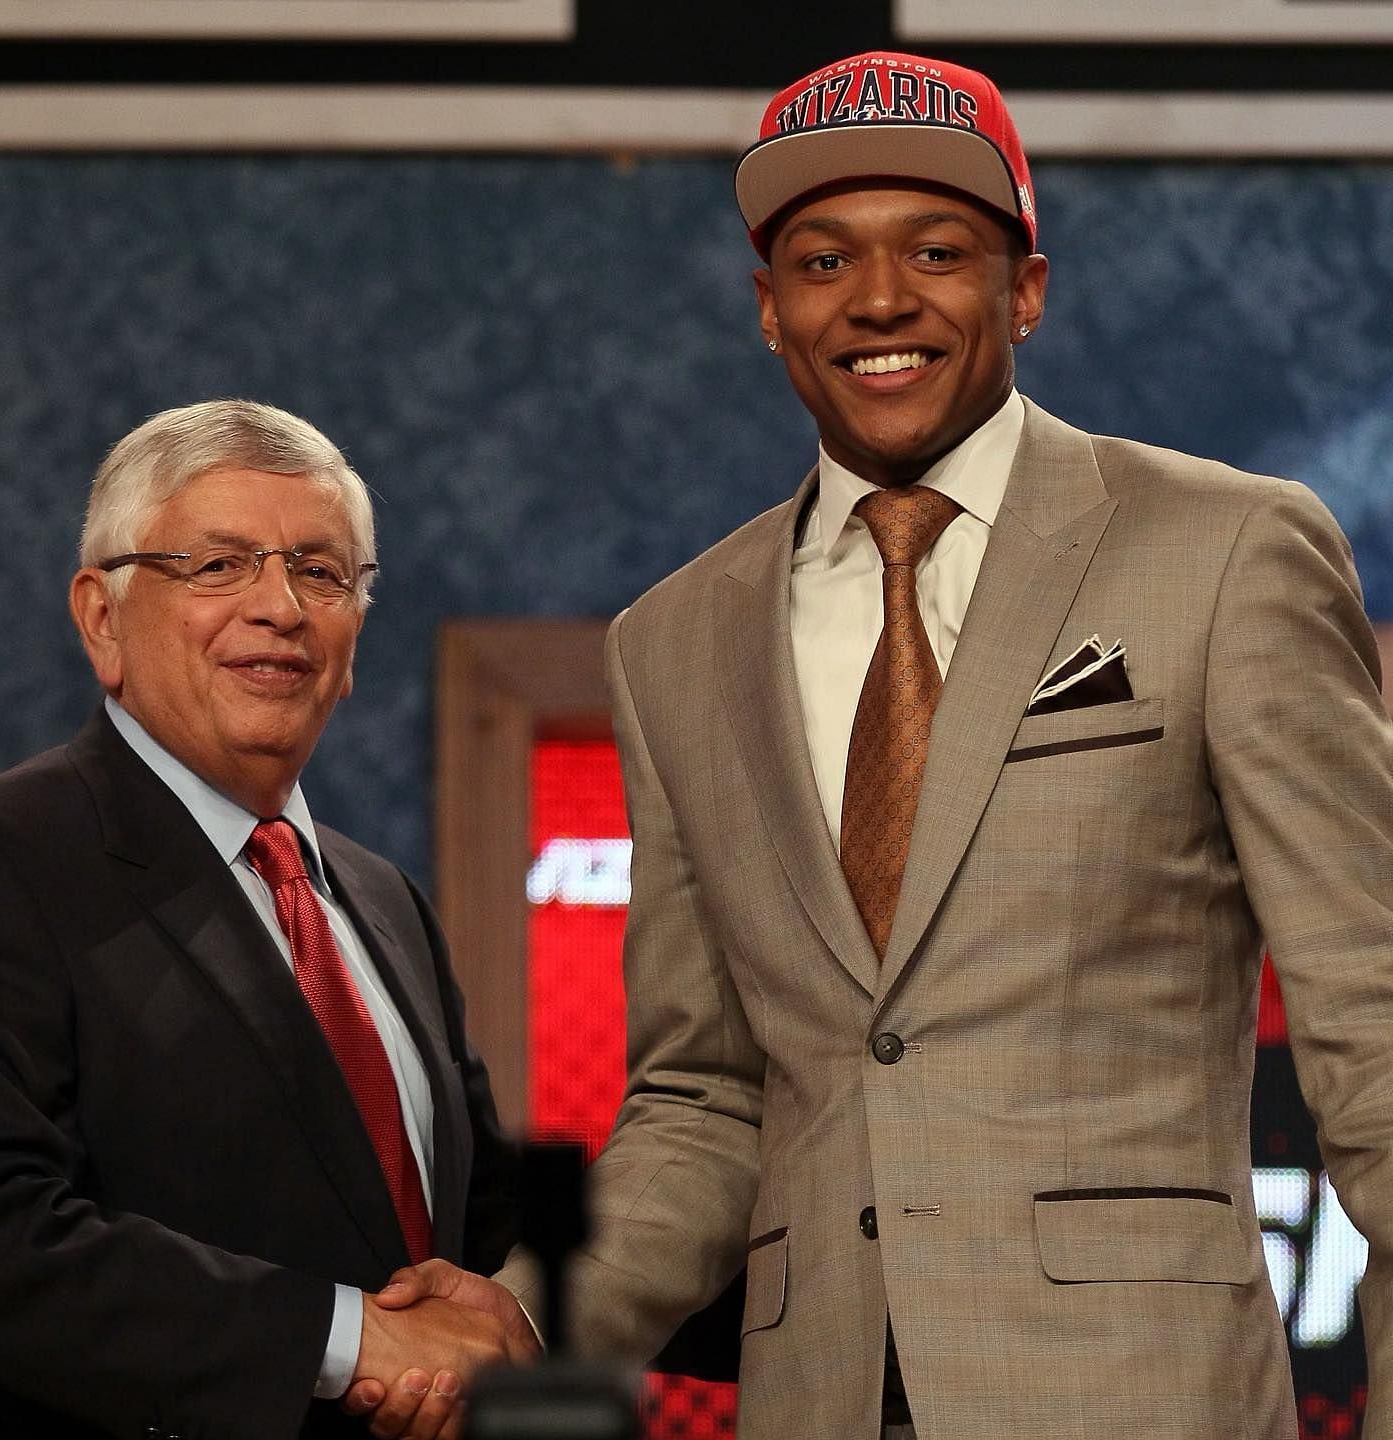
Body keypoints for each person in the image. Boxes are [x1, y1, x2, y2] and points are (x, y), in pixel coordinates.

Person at [375, 48, 1393, 1440]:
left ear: (1025, 288)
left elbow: (1374, 1026)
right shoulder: (670, 641)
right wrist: (531, 1314)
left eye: (937, 247)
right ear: (768, 313)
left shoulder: (1227, 551)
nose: (880, 299)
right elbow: (707, 1095)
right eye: (822, 259)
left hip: (1143, 1397)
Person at [0, 400, 537, 1440]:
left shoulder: (384, 900)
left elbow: (479, 1222)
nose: (281, 607)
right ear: (100, 617)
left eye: (321, 572)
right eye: (217, 567)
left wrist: (523, 1314)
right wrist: (356, 1339)